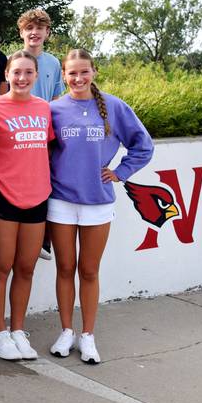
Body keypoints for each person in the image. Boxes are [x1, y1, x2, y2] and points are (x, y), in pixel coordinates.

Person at [48, 49, 153, 364]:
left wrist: (120, 172)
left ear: (94, 72)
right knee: (65, 268)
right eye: (72, 73)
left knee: (89, 270)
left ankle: (88, 335)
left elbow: (143, 145)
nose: (78, 79)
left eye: (84, 72)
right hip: (60, 201)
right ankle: (66, 331)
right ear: (63, 75)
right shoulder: (53, 109)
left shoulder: (115, 107)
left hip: (97, 202)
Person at [0, 50, 54, 361]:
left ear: (36, 76)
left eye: (28, 72)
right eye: (16, 72)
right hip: (3, 196)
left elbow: (47, 149)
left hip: (38, 197)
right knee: (1, 267)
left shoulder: (44, 109)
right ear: (7, 75)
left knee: (26, 267)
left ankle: (17, 330)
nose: (22, 78)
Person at [18, 8, 64, 261]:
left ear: (47, 32)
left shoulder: (54, 63)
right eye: (29, 28)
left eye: (39, 28)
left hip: (43, 132)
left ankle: (43, 240)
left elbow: (57, 99)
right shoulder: (14, 60)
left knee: (46, 181)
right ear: (22, 32)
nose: (34, 32)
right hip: (18, 132)